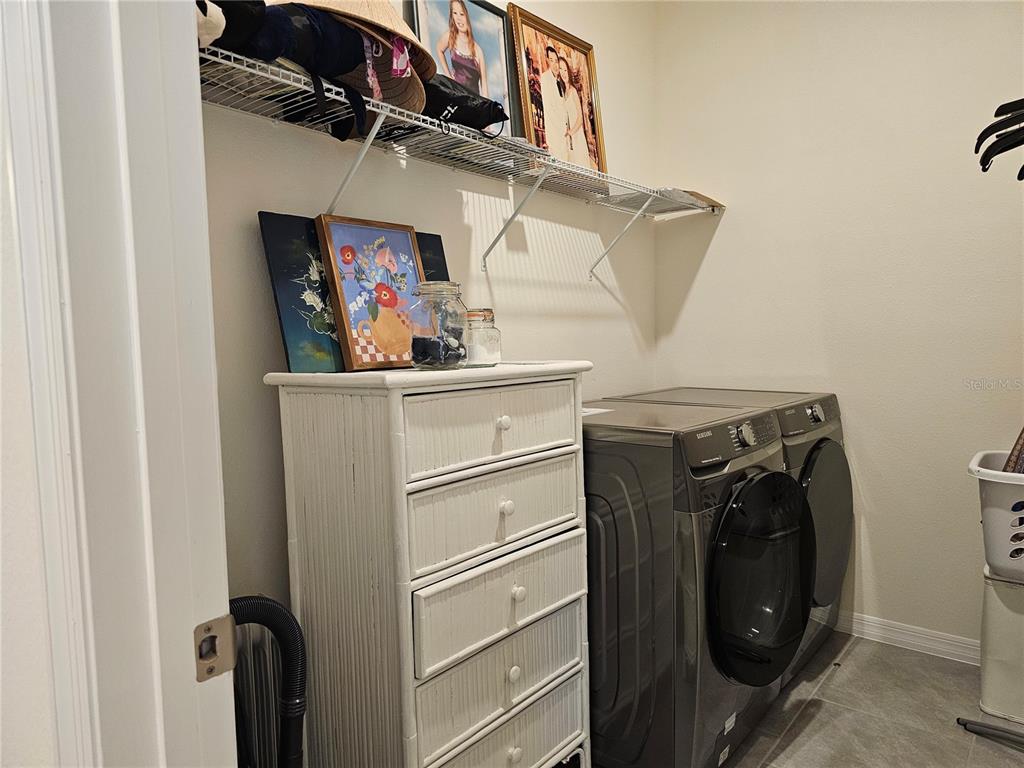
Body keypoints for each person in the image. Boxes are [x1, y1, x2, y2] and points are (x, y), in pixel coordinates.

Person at [435, 0, 487, 97]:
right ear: (452, 16)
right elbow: (439, 49)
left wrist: (489, 109)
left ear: (467, 16)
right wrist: (448, 75)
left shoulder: (478, 50)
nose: (458, 18)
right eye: (455, 13)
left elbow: (484, 84)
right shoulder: (450, 36)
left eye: (462, 14)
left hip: (475, 101)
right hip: (457, 96)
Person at [558, 55, 590, 168]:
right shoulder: (562, 93)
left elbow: (580, 118)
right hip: (569, 138)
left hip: (576, 136)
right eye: (560, 69)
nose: (563, 73)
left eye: (565, 69)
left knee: (581, 165)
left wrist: (571, 132)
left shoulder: (573, 91)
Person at [538, 44, 567, 160]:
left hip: (563, 132)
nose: (555, 64)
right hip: (554, 131)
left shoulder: (560, 81)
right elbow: (549, 108)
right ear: (547, 61)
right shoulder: (545, 79)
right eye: (551, 60)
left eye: (556, 61)